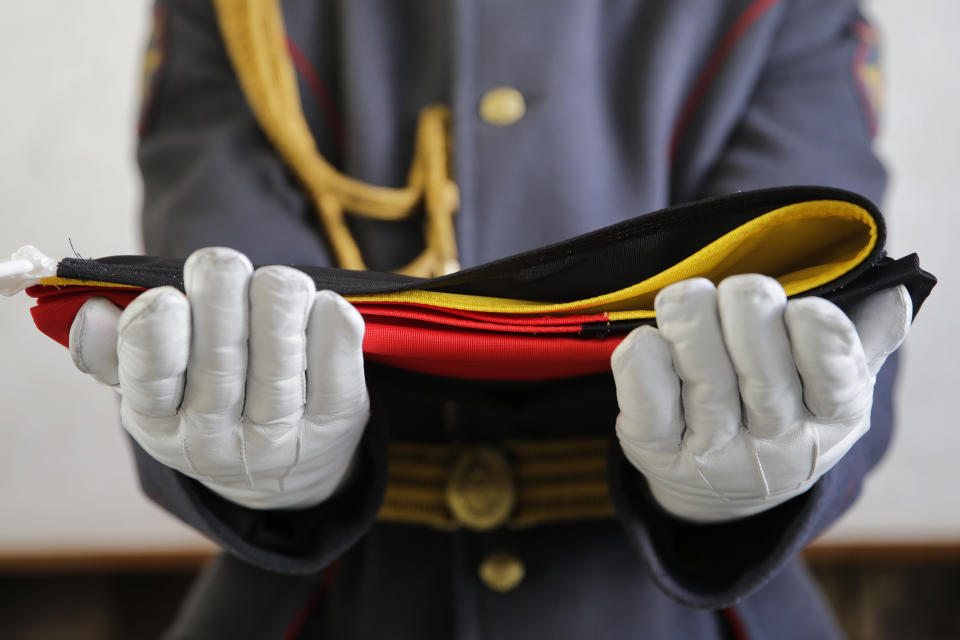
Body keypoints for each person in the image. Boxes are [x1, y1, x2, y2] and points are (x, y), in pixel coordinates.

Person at [68, 0, 909, 637]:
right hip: (330, 591)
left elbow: (819, 269)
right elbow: (213, 293)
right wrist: (274, 472)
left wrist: (744, 488)